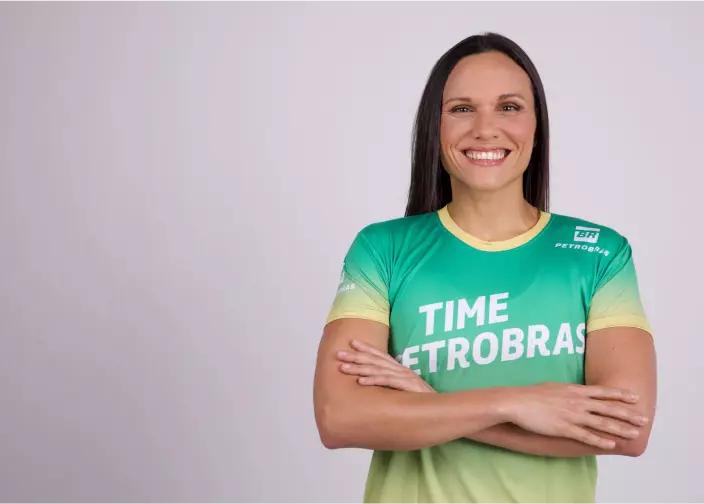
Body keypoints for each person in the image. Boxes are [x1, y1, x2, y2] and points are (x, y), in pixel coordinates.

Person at [312, 32, 657, 503]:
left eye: (509, 107)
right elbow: (339, 417)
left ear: (537, 124)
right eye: (461, 108)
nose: (485, 128)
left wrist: (429, 404)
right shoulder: (382, 250)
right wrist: (514, 403)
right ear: (435, 127)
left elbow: (626, 430)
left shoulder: (599, 254)